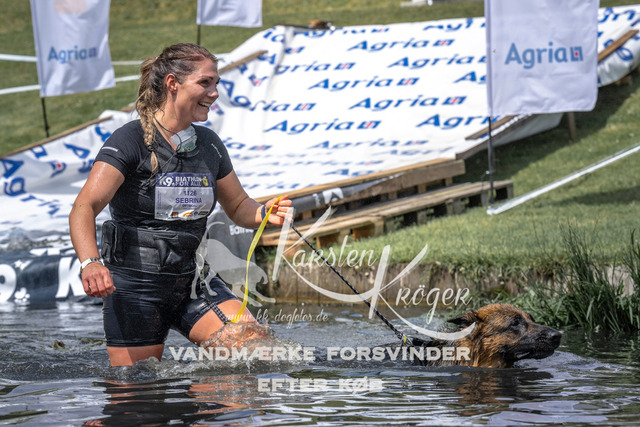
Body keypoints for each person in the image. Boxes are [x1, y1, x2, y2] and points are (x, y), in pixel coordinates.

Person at [69, 43, 292, 367]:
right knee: (137, 389)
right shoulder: (129, 141)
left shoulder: (209, 145)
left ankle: (202, 396)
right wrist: (90, 263)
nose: (215, 93)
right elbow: (84, 206)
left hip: (192, 281)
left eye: (216, 83)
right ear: (173, 83)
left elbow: (239, 204)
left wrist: (264, 213)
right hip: (135, 289)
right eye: (205, 83)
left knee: (256, 353)